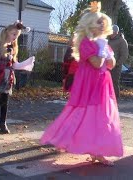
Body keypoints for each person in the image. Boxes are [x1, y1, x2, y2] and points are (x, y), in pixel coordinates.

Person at [40, 1, 123, 166]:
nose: (101, 25)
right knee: (85, 115)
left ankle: (97, 151)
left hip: (103, 85)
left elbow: (111, 65)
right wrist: (102, 50)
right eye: (98, 22)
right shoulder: (86, 42)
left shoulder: (103, 43)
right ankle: (77, 144)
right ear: (90, 24)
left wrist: (106, 51)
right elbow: (97, 63)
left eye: (103, 22)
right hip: (88, 84)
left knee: (102, 117)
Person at [0, 21, 35, 134]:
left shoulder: (12, 47)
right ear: (7, 32)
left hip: (9, 75)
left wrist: (26, 63)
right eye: (14, 34)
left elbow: (14, 64)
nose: (15, 37)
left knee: (5, 97)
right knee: (4, 98)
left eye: (17, 35)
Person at [108, 24, 129, 100]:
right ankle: (107, 99)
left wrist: (117, 64)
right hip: (107, 65)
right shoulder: (108, 40)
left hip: (116, 67)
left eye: (111, 31)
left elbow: (124, 55)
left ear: (115, 32)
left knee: (114, 82)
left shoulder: (122, 41)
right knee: (106, 82)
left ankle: (115, 99)